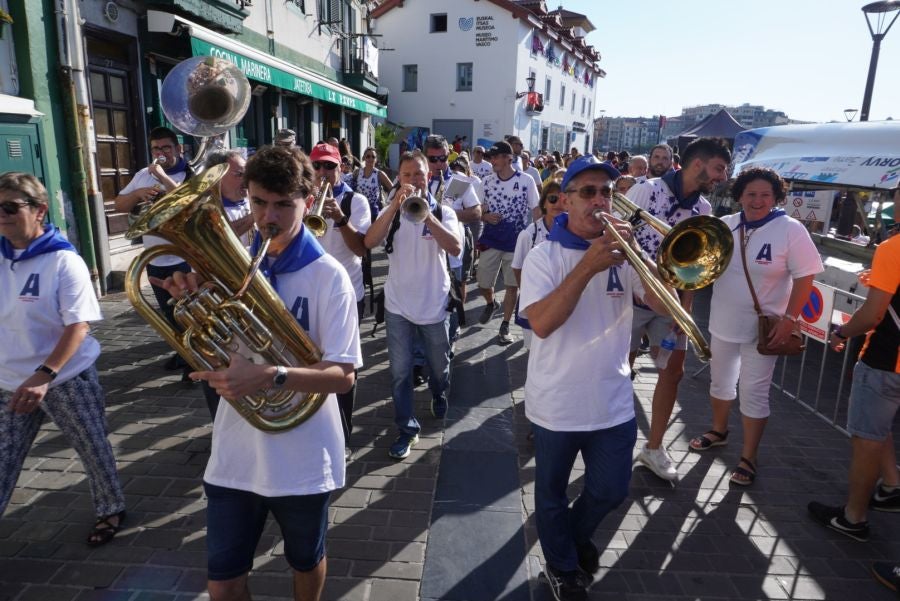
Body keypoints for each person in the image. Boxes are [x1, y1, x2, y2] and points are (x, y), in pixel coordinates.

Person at [151, 145, 361, 601]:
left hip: (305, 453)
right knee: (222, 584)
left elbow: (343, 375)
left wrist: (270, 375)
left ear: (308, 201)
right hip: (236, 452)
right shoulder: (228, 269)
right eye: (260, 202)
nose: (269, 216)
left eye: (284, 204)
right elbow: (212, 343)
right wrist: (189, 301)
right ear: (247, 196)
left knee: (305, 560)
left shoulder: (329, 277)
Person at [520, 156, 675, 600]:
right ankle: (563, 568)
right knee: (550, 493)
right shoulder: (543, 256)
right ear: (566, 200)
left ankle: (568, 540)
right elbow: (543, 323)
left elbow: (663, 303)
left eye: (606, 192)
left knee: (611, 490)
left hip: (612, 398)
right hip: (556, 401)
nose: (599, 201)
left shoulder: (624, 254)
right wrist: (589, 265)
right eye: (587, 192)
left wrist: (650, 262)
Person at [0, 172, 126, 546]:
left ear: (39, 210)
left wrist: (44, 375)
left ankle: (111, 509)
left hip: (65, 377)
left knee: (93, 448)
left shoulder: (63, 261)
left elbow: (78, 326)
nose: (2, 215)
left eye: (10, 207)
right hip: (10, 381)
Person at [689, 168, 823, 487]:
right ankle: (719, 430)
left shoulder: (790, 230)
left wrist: (790, 320)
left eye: (765, 195)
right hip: (722, 322)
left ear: (777, 197)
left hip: (765, 331)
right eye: (751, 194)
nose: (757, 201)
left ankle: (749, 456)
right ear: (739, 196)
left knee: (754, 392)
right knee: (720, 383)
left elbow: (805, 277)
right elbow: (700, 267)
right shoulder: (725, 225)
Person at [628, 137, 732, 483]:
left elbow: (696, 267)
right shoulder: (646, 190)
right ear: (698, 164)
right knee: (619, 368)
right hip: (629, 297)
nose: (722, 176)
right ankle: (607, 437)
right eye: (718, 168)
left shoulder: (704, 208)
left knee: (673, 373)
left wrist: (684, 310)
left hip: (670, 300)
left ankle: (654, 447)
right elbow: (615, 235)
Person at [364, 151, 461, 460]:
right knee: (400, 372)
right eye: (407, 175)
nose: (414, 180)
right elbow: (369, 242)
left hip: (434, 305)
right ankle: (407, 429)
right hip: (398, 307)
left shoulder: (444, 212)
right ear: (399, 178)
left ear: (428, 176)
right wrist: (395, 206)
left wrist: (427, 215)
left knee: (439, 366)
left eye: (419, 174)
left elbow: (456, 247)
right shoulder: (391, 211)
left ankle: (439, 391)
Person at [807, 227, 899, 541]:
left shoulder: (894, 248)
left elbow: (873, 314)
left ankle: (853, 518)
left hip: (886, 362)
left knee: (867, 438)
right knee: (878, 426)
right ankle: (891, 485)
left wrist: (841, 333)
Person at [113, 126, 194, 373]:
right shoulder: (142, 175)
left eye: (166, 148)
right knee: (169, 313)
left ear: (178, 149)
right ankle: (184, 353)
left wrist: (162, 177)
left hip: (184, 257)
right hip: (155, 257)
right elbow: (119, 205)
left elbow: (186, 202)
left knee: (191, 313)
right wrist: (138, 193)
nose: (160, 153)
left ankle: (197, 359)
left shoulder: (191, 173)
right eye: (156, 148)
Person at [309, 142, 371, 457]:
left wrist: (341, 218)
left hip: (347, 295)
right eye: (317, 166)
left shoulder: (356, 200)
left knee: (343, 367)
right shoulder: (303, 200)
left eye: (329, 166)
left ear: (341, 168)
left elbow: (361, 248)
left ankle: (342, 437)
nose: (323, 172)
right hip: (312, 294)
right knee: (312, 363)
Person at [477, 141, 541, 345]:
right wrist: (485, 216)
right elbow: (478, 208)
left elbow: (536, 209)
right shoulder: (486, 181)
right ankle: (491, 302)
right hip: (491, 240)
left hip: (516, 242)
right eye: (491, 157)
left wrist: (539, 237)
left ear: (509, 158)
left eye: (496, 157)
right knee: (483, 283)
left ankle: (504, 325)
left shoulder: (526, 180)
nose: (492, 161)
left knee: (511, 286)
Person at [511, 179, 564, 348]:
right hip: (536, 303)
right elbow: (517, 267)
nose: (558, 204)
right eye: (553, 199)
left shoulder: (576, 233)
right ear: (544, 203)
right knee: (535, 351)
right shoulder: (529, 234)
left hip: (564, 304)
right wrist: (528, 294)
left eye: (563, 199)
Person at [204, 150, 254, 248]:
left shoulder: (251, 201)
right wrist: (255, 216)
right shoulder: (207, 209)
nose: (246, 179)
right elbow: (218, 238)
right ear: (218, 177)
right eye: (239, 174)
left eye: (247, 174)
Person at [350, 146, 394, 219]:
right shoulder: (357, 172)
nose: (371, 159)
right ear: (364, 158)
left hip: (373, 212)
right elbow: (350, 187)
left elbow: (393, 189)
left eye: (373, 157)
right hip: (359, 210)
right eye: (368, 156)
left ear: (376, 159)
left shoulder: (379, 174)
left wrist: (391, 204)